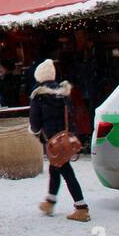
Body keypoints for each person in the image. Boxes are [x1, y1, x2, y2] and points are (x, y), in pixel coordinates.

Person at [28, 59, 89, 221]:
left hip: (52, 140)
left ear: (39, 76)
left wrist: (36, 132)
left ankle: (81, 208)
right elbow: (70, 115)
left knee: (67, 173)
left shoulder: (38, 95)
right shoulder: (63, 94)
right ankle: (50, 201)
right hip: (64, 139)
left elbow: (34, 123)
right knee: (55, 169)